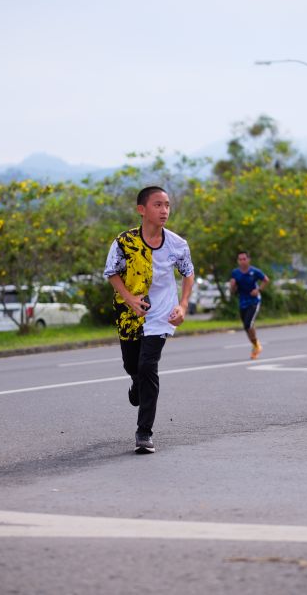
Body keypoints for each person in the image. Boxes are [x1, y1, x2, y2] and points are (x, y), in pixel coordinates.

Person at [103, 186, 194, 454]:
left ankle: (144, 433)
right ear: (142, 210)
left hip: (161, 315)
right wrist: (129, 299)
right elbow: (111, 273)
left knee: (148, 366)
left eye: (167, 205)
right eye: (158, 205)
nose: (164, 210)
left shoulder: (177, 244)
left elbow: (188, 273)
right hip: (130, 314)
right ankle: (136, 383)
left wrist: (183, 306)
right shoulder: (124, 242)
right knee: (132, 365)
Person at [230, 251, 269, 359]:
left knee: (248, 324)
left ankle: (256, 346)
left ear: (248, 260)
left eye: (244, 259)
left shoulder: (254, 271)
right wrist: (232, 286)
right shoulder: (235, 273)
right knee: (246, 327)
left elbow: (266, 280)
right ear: (238, 261)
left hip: (254, 301)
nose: (242, 261)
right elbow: (233, 291)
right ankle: (255, 345)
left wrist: (258, 290)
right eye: (240, 259)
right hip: (243, 302)